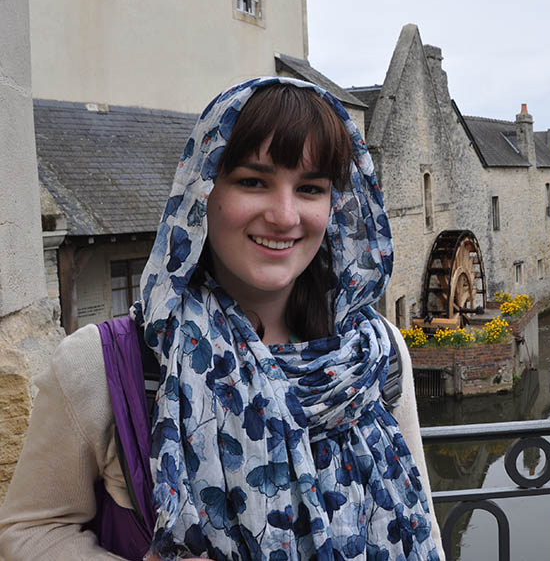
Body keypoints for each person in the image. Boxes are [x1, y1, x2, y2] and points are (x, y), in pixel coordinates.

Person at [0, 78, 444, 560]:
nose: (284, 214)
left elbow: (423, 524)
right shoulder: (104, 364)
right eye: (253, 181)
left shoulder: (376, 352)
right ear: (203, 191)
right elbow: (30, 531)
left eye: (311, 188)